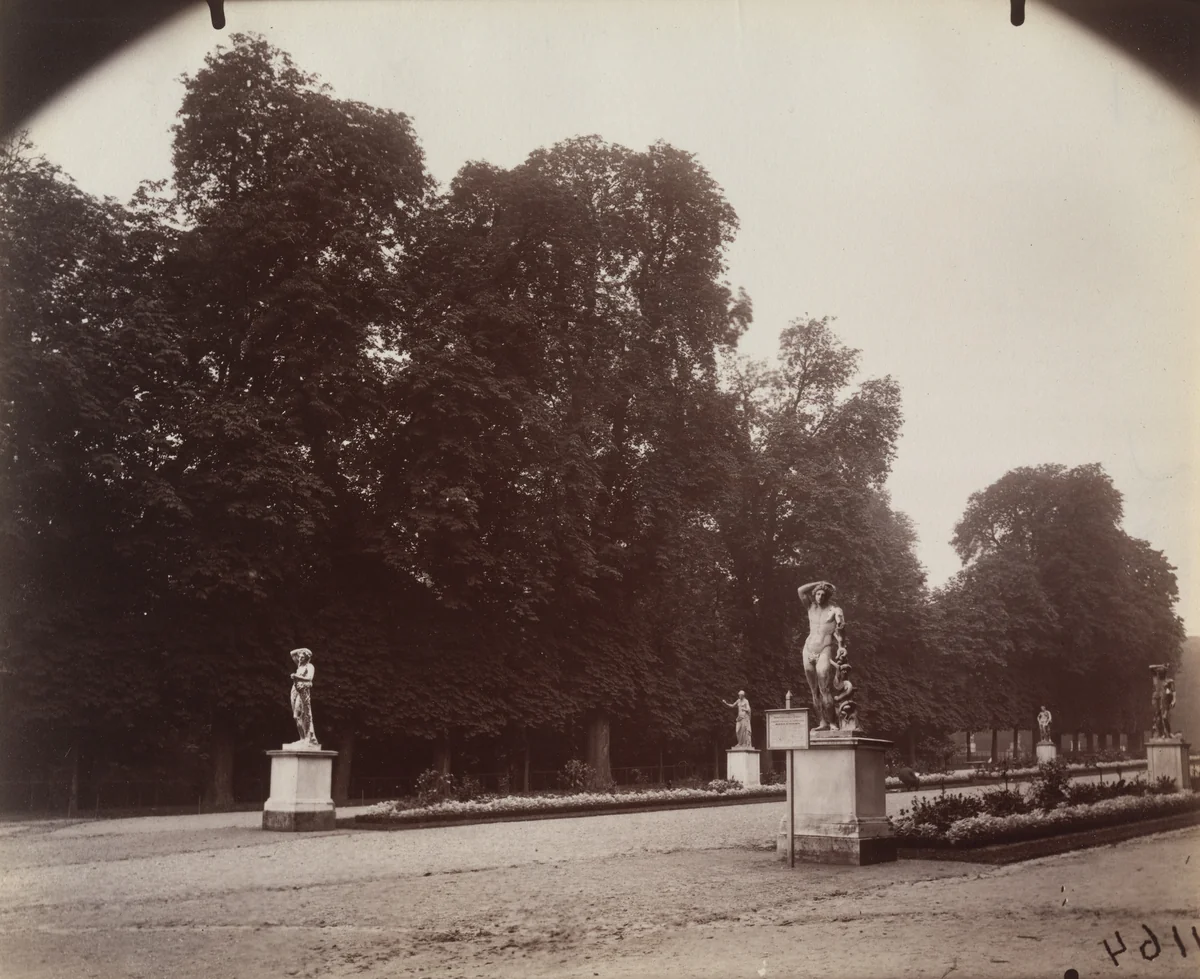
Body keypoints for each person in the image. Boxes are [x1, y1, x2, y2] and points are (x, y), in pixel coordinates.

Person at [797, 580, 846, 731]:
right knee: (814, 691)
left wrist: (842, 647)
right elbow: (800, 590)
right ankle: (822, 722)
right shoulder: (810, 607)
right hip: (808, 650)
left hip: (824, 649)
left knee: (824, 688)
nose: (819, 597)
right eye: (817, 594)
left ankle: (832, 722)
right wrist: (819, 582)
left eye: (823, 594)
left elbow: (841, 631)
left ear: (828, 596)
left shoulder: (834, 610)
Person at [289, 647, 318, 747]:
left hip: (303, 691)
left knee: (300, 715)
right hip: (295, 690)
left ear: (306, 658)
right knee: (296, 716)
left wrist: (297, 677)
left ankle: (307, 738)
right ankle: (302, 738)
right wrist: (304, 649)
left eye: (302, 657)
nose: (300, 658)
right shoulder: (299, 665)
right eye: (300, 657)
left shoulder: (309, 666)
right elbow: (292, 653)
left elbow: (309, 678)